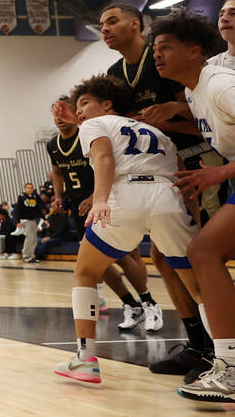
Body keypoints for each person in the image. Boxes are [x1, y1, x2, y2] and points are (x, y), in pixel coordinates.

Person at [53, 75, 204, 385]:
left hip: (125, 195)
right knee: (200, 286)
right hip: (167, 195)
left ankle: (85, 359)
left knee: (85, 271)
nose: (79, 111)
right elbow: (180, 174)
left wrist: (100, 200)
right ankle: (225, 358)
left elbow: (105, 156)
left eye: (84, 103)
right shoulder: (158, 132)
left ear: (106, 105)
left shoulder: (97, 124)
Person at [100, 3, 217, 377]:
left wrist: (171, 110)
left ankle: (217, 345)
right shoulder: (114, 74)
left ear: (137, 25)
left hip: (203, 161)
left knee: (199, 256)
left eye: (112, 21)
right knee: (168, 259)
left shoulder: (168, 61)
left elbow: (205, 119)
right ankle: (200, 344)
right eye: (101, 24)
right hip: (164, 171)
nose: (105, 28)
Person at [143, 9, 235, 401]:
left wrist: (219, 173)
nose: (157, 55)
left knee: (204, 251)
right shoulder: (196, 91)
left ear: (195, 50)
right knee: (204, 252)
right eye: (155, 49)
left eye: (166, 47)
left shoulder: (217, 84)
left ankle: (229, 368)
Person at [47, 97, 161, 331]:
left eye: (63, 113)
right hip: (79, 206)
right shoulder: (53, 145)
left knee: (125, 256)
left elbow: (107, 162)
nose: (59, 119)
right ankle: (131, 304)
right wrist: (59, 196)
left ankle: (148, 302)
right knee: (94, 262)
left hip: (107, 198)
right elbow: (57, 172)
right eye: (54, 115)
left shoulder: (91, 131)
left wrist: (96, 197)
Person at [14, 183, 43, 262]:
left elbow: (38, 209)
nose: (30, 189)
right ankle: (25, 255)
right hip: (25, 220)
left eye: (31, 188)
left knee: (34, 239)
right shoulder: (21, 197)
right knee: (29, 237)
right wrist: (17, 221)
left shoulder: (34, 197)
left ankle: (32, 255)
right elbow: (17, 210)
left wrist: (44, 218)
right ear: (25, 189)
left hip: (33, 220)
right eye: (28, 188)